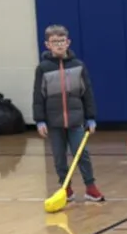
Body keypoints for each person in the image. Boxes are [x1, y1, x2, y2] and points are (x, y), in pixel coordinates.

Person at [32, 24, 105, 202]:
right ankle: (67, 189)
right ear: (47, 45)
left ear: (68, 42)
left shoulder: (78, 66)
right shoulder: (43, 68)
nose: (59, 44)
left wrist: (91, 117)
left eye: (62, 41)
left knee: (82, 154)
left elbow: (87, 92)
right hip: (53, 121)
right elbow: (38, 96)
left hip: (75, 120)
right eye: (54, 41)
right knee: (59, 157)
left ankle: (90, 187)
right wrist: (40, 120)